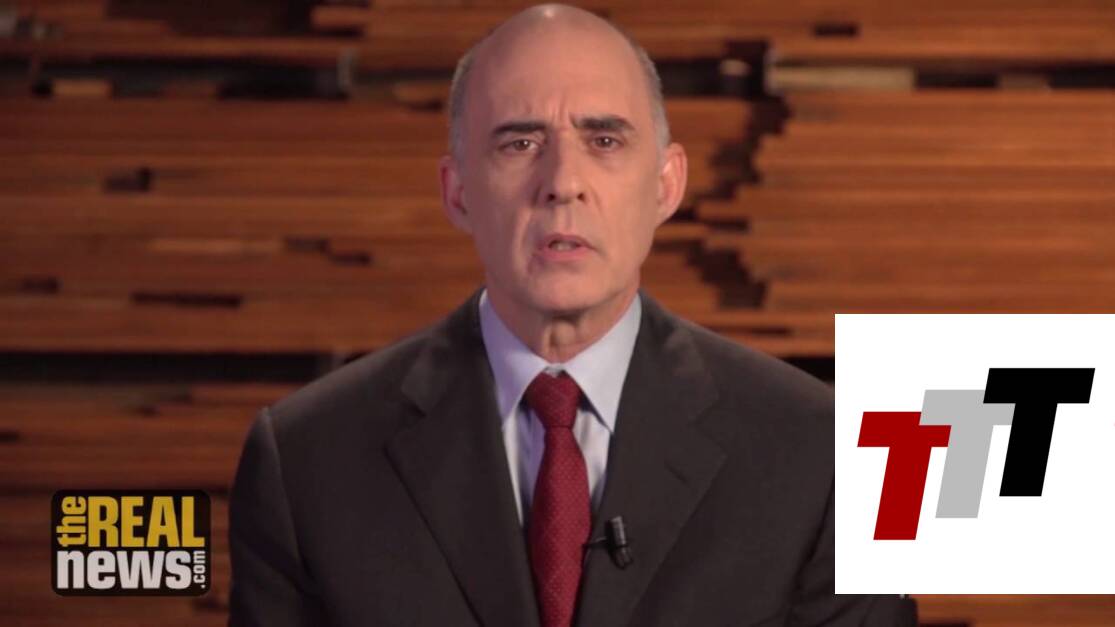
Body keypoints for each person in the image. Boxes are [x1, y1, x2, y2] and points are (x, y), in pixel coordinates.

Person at [227, 4, 917, 626]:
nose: (562, 182)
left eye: (604, 141)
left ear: (666, 185)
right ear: (458, 191)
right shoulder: (305, 461)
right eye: (519, 143)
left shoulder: (828, 457)